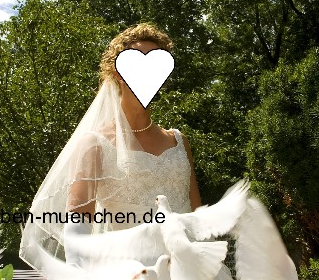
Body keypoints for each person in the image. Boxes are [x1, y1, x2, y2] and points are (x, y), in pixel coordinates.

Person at [21, 23, 202, 265]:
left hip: (188, 272)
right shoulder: (95, 144)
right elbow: (78, 230)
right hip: (129, 277)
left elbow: (197, 216)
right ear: (118, 73)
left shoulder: (179, 141)